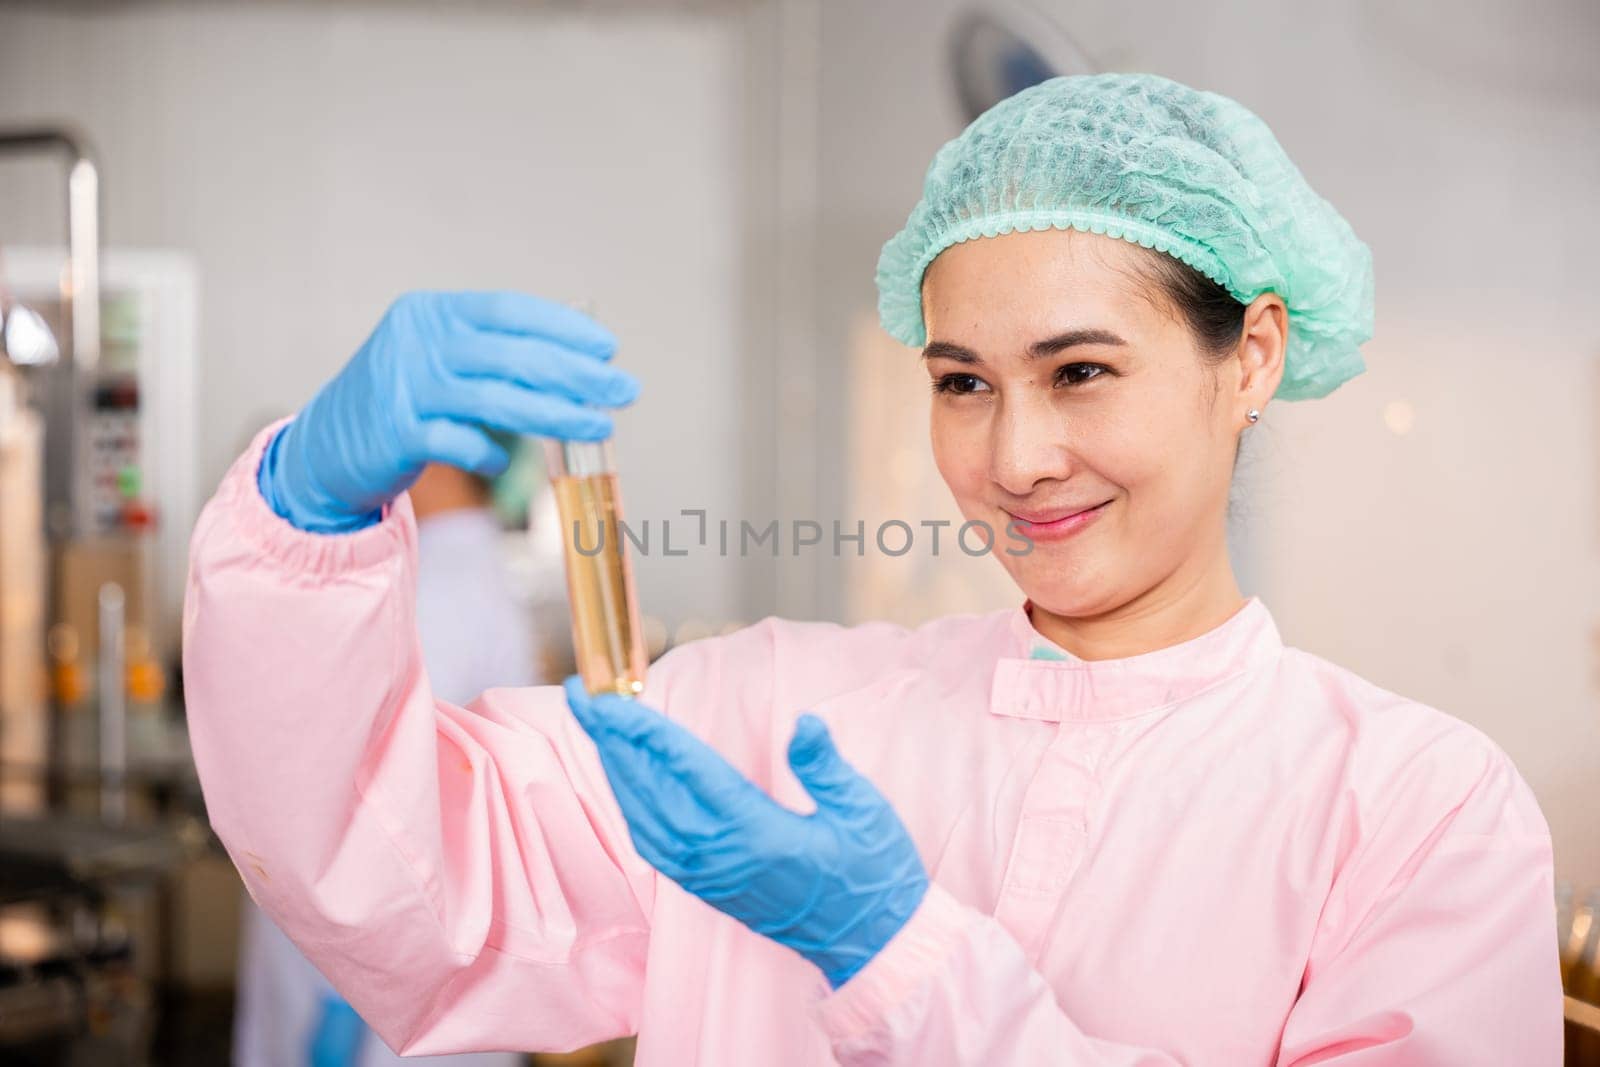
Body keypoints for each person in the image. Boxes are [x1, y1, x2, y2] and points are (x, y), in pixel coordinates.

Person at [182, 74, 1562, 1065]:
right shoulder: (766, 712)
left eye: (1081, 370)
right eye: (963, 381)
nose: (1016, 454)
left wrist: (894, 953)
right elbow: (399, 879)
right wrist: (304, 522)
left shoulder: (1416, 812)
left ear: (1250, 356)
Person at [232, 459, 536, 1067]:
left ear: (443, 454)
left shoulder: (435, 585)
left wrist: (338, 1000)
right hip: (419, 972)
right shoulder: (469, 570)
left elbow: (383, 804)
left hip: (374, 986)